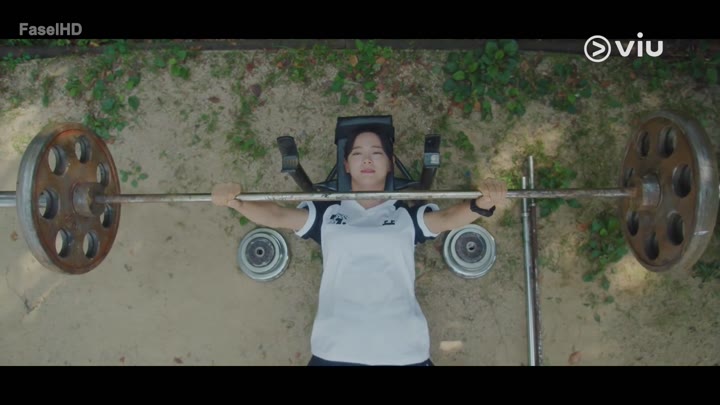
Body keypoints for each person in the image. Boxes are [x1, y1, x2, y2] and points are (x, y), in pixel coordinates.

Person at [211, 126, 508, 366]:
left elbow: (447, 218)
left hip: (403, 350)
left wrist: (483, 203)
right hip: (335, 349)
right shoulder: (326, 214)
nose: (367, 159)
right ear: (346, 165)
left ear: (389, 164)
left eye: (376, 153)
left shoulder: (406, 216)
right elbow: (276, 215)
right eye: (358, 153)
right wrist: (236, 202)